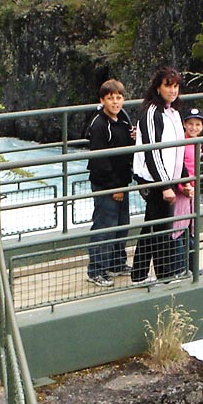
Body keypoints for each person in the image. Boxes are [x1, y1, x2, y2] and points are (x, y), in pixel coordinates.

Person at [131, 66, 188, 284]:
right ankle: (163, 275)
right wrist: (165, 185)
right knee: (161, 227)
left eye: (175, 86)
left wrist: (182, 178)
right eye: (168, 86)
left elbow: (177, 150)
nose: (173, 91)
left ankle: (140, 274)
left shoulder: (172, 112)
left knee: (153, 225)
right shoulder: (152, 114)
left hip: (169, 178)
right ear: (158, 87)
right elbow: (152, 151)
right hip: (154, 179)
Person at [84, 79, 135, 287]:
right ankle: (96, 269)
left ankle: (116, 263)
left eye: (118, 97)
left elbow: (126, 146)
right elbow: (100, 160)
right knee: (105, 226)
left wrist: (134, 137)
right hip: (107, 183)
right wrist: (114, 186)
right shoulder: (99, 125)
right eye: (110, 98)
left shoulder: (123, 119)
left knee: (122, 224)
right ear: (102, 100)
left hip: (122, 180)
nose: (115, 102)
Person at [170, 107, 203, 277]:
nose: (193, 127)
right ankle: (178, 268)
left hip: (192, 190)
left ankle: (192, 265)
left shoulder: (197, 143)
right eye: (190, 124)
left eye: (197, 124)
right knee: (179, 228)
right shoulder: (181, 143)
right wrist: (182, 187)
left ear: (202, 127)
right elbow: (177, 167)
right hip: (183, 191)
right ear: (184, 124)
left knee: (191, 227)